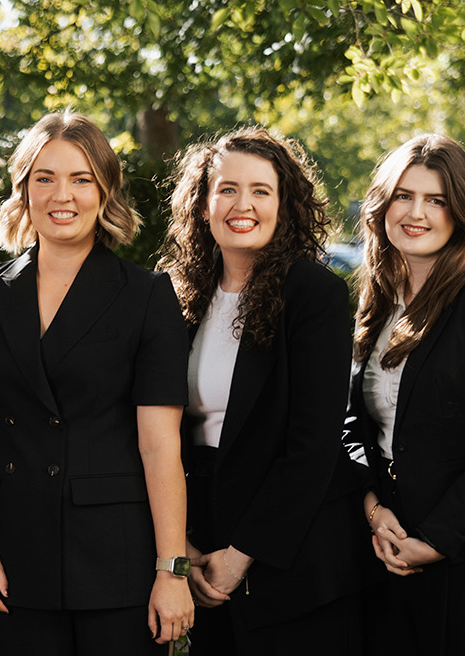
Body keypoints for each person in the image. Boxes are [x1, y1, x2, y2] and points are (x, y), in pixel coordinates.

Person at [0, 111, 193, 655]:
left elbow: (160, 446)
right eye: (45, 178)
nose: (61, 195)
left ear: (105, 191)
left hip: (117, 557)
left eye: (81, 179)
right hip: (12, 555)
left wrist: (172, 569)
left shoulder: (147, 296)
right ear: (24, 190)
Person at [156, 127, 363, 653]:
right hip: (203, 545)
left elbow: (313, 443)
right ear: (203, 204)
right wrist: (182, 544)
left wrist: (242, 554)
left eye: (260, 191)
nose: (242, 204)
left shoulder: (314, 294)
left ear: (284, 205)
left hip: (293, 557)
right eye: (226, 189)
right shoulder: (179, 295)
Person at [345, 134, 465, 655]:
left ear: (462, 213)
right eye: (403, 196)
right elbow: (354, 425)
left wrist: (433, 541)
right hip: (385, 545)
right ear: (382, 206)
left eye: (436, 200)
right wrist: (372, 507)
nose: (416, 213)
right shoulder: (378, 301)